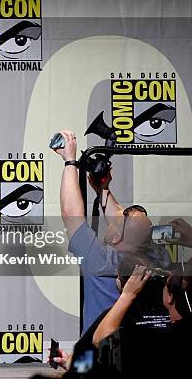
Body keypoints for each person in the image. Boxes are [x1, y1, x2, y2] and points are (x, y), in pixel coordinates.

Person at [52, 130, 153, 332]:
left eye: (120, 219)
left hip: (97, 353)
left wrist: (70, 161)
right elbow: (128, 225)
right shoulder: (153, 257)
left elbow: (70, 213)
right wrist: (102, 189)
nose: (116, 214)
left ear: (116, 238)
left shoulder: (101, 261)